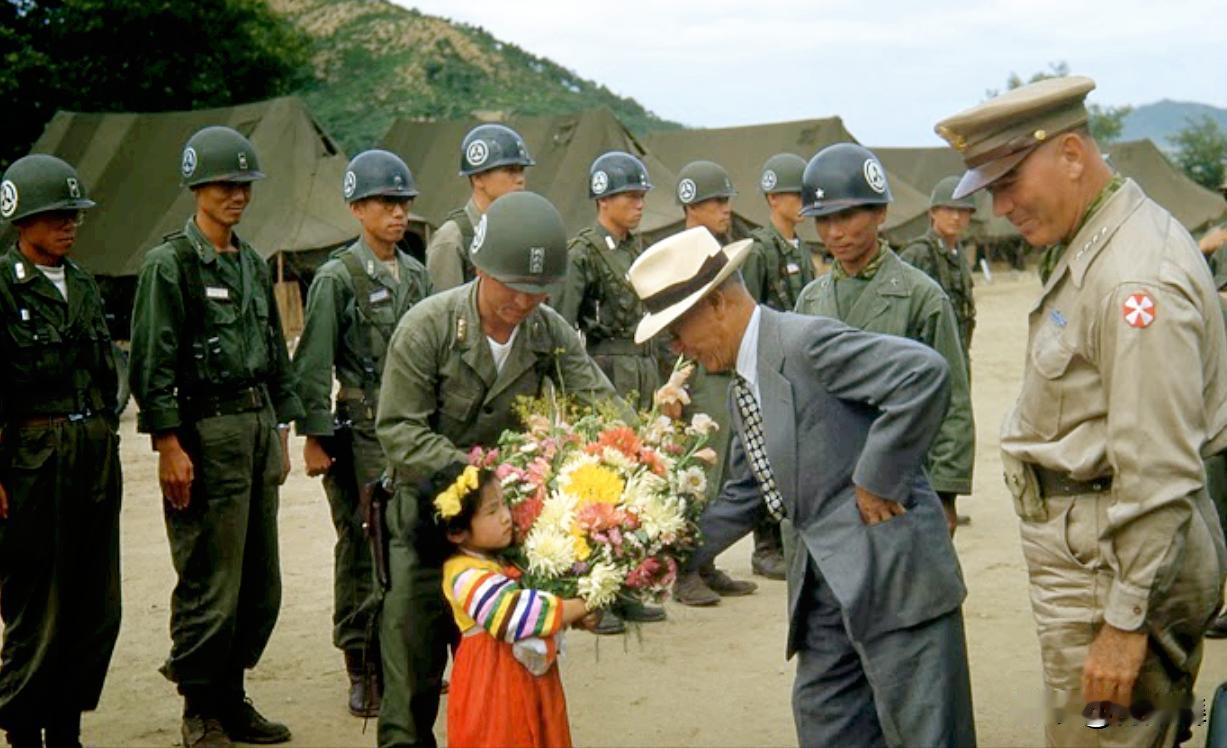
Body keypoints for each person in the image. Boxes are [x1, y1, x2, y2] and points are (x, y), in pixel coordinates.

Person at [937, 75, 1227, 745]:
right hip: (1102, 557)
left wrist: (1124, 626)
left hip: (1114, 571)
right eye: (990, 191)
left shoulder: (1132, 279)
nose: (999, 207)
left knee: (1098, 737)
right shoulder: (1098, 242)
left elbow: (1158, 469)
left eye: (1009, 183)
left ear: (1070, 154)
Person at [628, 227, 974, 746]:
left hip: (893, 578)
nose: (677, 348)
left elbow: (923, 374)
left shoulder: (805, 342)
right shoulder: (746, 379)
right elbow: (746, 494)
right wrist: (651, 559)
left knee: (926, 733)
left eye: (677, 331)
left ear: (718, 303)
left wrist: (877, 480)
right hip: (823, 592)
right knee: (827, 725)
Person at [373, 191, 623, 747]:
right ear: (480, 267)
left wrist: (634, 454)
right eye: (513, 285)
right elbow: (398, 432)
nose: (524, 301)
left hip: (498, 534)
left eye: (538, 291)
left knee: (500, 681)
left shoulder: (548, 330)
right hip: (426, 525)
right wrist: (482, 475)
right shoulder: (428, 328)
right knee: (410, 682)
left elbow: (601, 408)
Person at [130, 126, 303, 748]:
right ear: (197, 187)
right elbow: (152, 363)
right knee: (210, 576)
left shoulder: (252, 262)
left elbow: (277, 357)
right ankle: (199, 707)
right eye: (225, 184)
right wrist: (168, 445)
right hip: (204, 433)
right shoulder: (170, 264)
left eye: (244, 184)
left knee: (260, 584)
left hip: (256, 428)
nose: (237, 194)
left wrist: (281, 427)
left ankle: (231, 695)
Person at [292, 149, 432, 717]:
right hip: (361, 430)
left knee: (414, 538)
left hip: (412, 429)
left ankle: (405, 656)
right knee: (363, 543)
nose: (397, 213)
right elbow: (312, 361)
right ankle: (361, 665)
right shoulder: (337, 277)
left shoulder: (418, 273)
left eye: (403, 203)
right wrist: (315, 436)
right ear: (357, 208)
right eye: (384, 203)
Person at [0, 155, 121, 748]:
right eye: (55, 215)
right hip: (30, 459)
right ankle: (23, 729)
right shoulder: (2, 287)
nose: (70, 224)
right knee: (34, 606)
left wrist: (103, 441)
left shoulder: (83, 285)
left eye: (74, 214)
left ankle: (66, 730)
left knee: (92, 603)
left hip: (92, 453)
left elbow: (106, 376)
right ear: (22, 220)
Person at [793, 144, 974, 535]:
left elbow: (953, 399)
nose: (834, 232)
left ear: (881, 214)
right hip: (830, 485)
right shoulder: (810, 299)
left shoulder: (921, 296)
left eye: (847, 216)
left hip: (901, 481)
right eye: (822, 220)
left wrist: (946, 494)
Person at [555, 150, 667, 633]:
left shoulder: (635, 249)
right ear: (603, 198)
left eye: (642, 194)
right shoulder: (582, 252)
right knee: (603, 488)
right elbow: (561, 324)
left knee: (638, 485)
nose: (639, 203)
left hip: (642, 368)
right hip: (604, 371)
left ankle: (627, 588)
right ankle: (596, 596)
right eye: (629, 195)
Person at [435, 464, 593, 748]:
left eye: (505, 504)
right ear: (457, 531)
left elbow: (542, 605)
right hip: (493, 686)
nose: (506, 517)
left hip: (522, 679)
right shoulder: (464, 575)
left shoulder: (497, 558)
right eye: (492, 511)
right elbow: (515, 614)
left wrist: (577, 616)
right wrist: (583, 604)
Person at [669, 160, 759, 606]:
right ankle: (683, 569)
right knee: (695, 473)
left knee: (724, 471)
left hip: (726, 370)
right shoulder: (678, 254)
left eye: (727, 200)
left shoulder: (722, 249)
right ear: (691, 204)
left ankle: (705, 561)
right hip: (696, 374)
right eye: (717, 201)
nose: (726, 209)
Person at [738, 152, 813, 580]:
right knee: (765, 451)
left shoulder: (799, 248)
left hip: (794, 362)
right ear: (772, 197)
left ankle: (786, 538)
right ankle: (765, 546)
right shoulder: (760, 249)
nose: (801, 201)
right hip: (765, 363)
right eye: (793, 193)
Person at [424, 124, 534, 291]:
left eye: (521, 170)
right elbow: (444, 311)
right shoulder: (452, 239)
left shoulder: (522, 231)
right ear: (478, 178)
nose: (520, 179)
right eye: (510, 170)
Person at [898, 175, 978, 365]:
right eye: (949, 209)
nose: (956, 217)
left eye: (962, 211)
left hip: (958, 353)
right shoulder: (917, 254)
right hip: (925, 358)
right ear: (933, 213)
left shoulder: (959, 255)